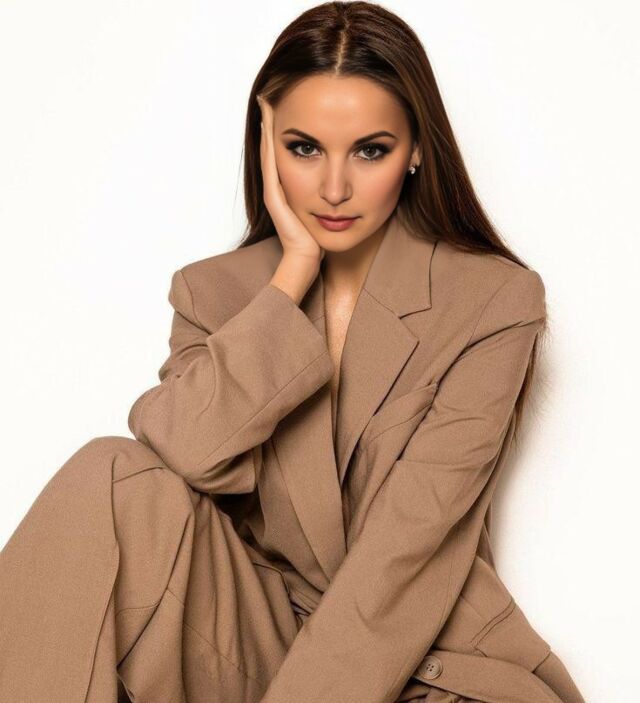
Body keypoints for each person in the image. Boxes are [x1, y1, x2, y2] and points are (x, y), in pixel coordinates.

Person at [0, 2, 585, 702]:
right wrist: (291, 276)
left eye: (370, 150)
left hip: (426, 665)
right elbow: (184, 451)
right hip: (259, 646)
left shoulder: (492, 300)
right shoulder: (212, 292)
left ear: (417, 150)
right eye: (304, 148)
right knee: (111, 472)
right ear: (266, 145)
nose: (334, 189)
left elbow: (407, 554)